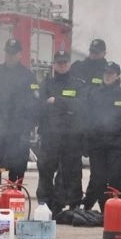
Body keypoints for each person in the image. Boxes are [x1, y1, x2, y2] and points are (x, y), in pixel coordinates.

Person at [0, 38, 39, 198]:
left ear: (20, 55)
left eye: (14, 54)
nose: (10, 56)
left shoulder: (28, 76)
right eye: (8, 53)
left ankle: (13, 206)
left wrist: (28, 127)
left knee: (17, 169)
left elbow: (35, 104)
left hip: (18, 131)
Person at [35, 50, 87, 215]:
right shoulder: (46, 84)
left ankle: (73, 203)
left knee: (72, 170)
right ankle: (45, 204)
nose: (62, 65)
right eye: (59, 63)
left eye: (65, 62)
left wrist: (57, 101)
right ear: (54, 65)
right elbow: (40, 107)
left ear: (69, 64)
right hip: (50, 135)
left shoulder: (78, 84)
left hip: (71, 135)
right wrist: (66, 106)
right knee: (46, 170)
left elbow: (80, 106)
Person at [82, 61, 121, 212]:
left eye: (111, 73)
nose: (108, 76)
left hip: (116, 145)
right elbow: (87, 119)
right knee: (98, 179)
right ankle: (103, 208)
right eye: (106, 73)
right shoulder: (94, 94)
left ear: (117, 75)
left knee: (114, 179)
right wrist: (85, 142)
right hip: (97, 144)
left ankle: (117, 211)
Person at [72, 38, 109, 209]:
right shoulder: (78, 67)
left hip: (96, 127)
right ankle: (74, 202)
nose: (94, 55)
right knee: (72, 167)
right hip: (76, 124)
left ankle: (93, 204)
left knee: (99, 172)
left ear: (104, 53)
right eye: (92, 51)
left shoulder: (108, 70)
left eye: (97, 52)